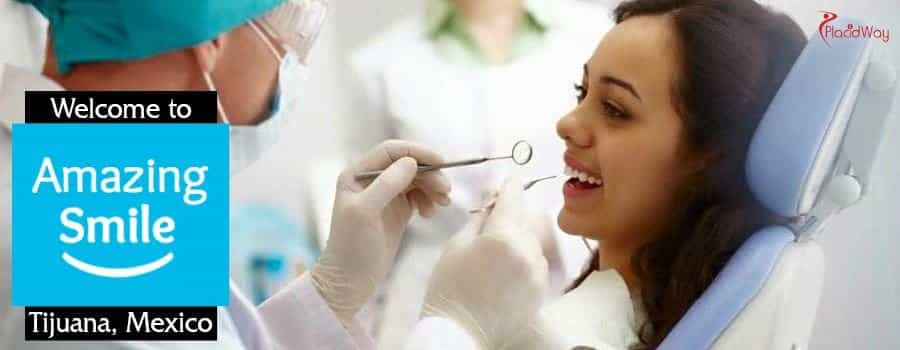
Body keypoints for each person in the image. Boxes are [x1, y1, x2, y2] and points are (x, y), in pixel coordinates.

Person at [0, 0, 549, 349]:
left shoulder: (90, 174)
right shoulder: (79, 218)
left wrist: (329, 295)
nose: (291, 66)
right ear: (210, 41)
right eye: (290, 37)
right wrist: (454, 330)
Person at [459, 0, 806, 348]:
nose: (566, 124)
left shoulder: (557, 337)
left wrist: (456, 321)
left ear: (710, 156)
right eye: (582, 92)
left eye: (614, 109)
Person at [346, 0, 612, 344]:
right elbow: (374, 221)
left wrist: (551, 233)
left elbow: (632, 185)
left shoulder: (595, 36)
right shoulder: (378, 64)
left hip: (561, 294)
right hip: (424, 307)